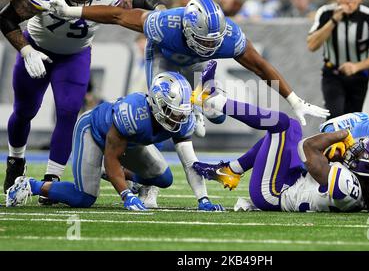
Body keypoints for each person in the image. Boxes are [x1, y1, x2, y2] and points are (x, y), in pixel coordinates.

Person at [0, 0, 167, 203]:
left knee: (68, 112)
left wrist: (163, 11)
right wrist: (26, 50)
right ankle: (16, 159)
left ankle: (51, 178)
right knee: (25, 110)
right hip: (38, 49)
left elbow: (140, 0)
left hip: (74, 56)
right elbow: (6, 18)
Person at [48, 0, 330, 141]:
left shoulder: (229, 37)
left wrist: (294, 100)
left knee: (216, 112)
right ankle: (148, 183)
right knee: (163, 112)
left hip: (198, 66)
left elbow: (261, 67)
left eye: (213, 41)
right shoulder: (166, 24)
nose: (209, 44)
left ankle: (199, 107)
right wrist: (71, 12)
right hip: (163, 58)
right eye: (203, 39)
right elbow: (118, 15)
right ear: (186, 27)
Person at [191, 61, 369, 212]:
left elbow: (308, 149)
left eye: (363, 153)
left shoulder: (347, 186)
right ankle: (231, 170)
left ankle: (213, 99)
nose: (358, 151)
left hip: (274, 192)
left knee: (282, 125)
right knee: (287, 129)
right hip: (294, 180)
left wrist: (343, 136)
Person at [6, 72, 224, 211]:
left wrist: (203, 199)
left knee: (163, 178)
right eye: (172, 111)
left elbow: (190, 163)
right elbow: (112, 156)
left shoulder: (182, 120)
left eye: (181, 113)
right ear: (157, 103)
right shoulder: (134, 113)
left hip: (130, 141)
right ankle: (29, 185)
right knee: (84, 198)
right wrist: (126, 195)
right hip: (94, 131)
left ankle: (116, 175)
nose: (177, 118)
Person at [307, 0, 369, 120]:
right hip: (333, 73)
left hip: (359, 76)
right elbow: (312, 45)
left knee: (354, 120)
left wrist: (356, 66)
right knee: (335, 118)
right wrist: (333, 21)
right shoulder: (326, 13)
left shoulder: (368, 18)